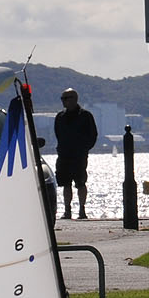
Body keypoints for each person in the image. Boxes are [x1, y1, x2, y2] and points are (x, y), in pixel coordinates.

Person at [52, 88, 99, 219]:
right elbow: (58, 134)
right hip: (64, 155)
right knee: (65, 183)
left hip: (79, 156)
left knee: (80, 183)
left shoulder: (85, 116)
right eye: (62, 99)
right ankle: (67, 210)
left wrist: (84, 149)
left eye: (65, 98)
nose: (63, 101)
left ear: (74, 99)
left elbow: (93, 135)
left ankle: (82, 210)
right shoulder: (60, 117)